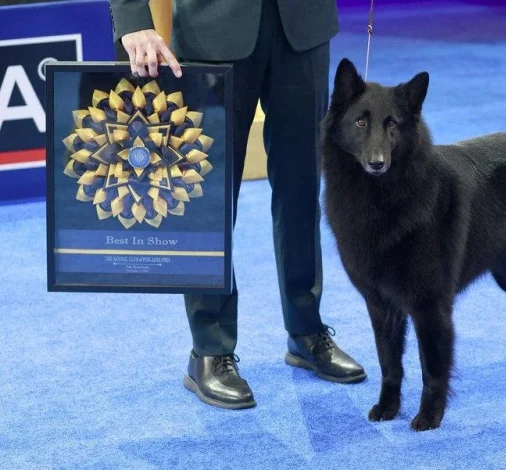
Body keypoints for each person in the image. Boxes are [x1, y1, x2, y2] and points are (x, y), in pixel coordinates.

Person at [108, 0, 366, 410]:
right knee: (208, 198)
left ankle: (306, 329)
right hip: (211, 31)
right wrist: (133, 21)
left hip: (303, 27)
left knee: (302, 189)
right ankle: (209, 349)